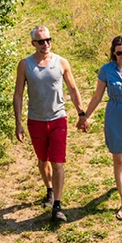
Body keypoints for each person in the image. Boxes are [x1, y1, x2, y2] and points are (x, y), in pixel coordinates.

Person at [14, 26, 86, 222]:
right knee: (42, 159)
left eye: (48, 40)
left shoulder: (61, 62)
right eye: (41, 41)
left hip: (58, 119)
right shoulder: (25, 65)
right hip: (36, 120)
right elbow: (18, 94)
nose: (45, 44)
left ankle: (58, 205)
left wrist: (81, 113)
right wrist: (18, 122)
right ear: (33, 44)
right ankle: (49, 189)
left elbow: (72, 88)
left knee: (58, 162)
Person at [78, 35, 122, 221]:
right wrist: (85, 116)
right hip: (115, 116)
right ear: (113, 53)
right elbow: (97, 96)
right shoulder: (106, 70)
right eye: (119, 53)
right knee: (118, 159)